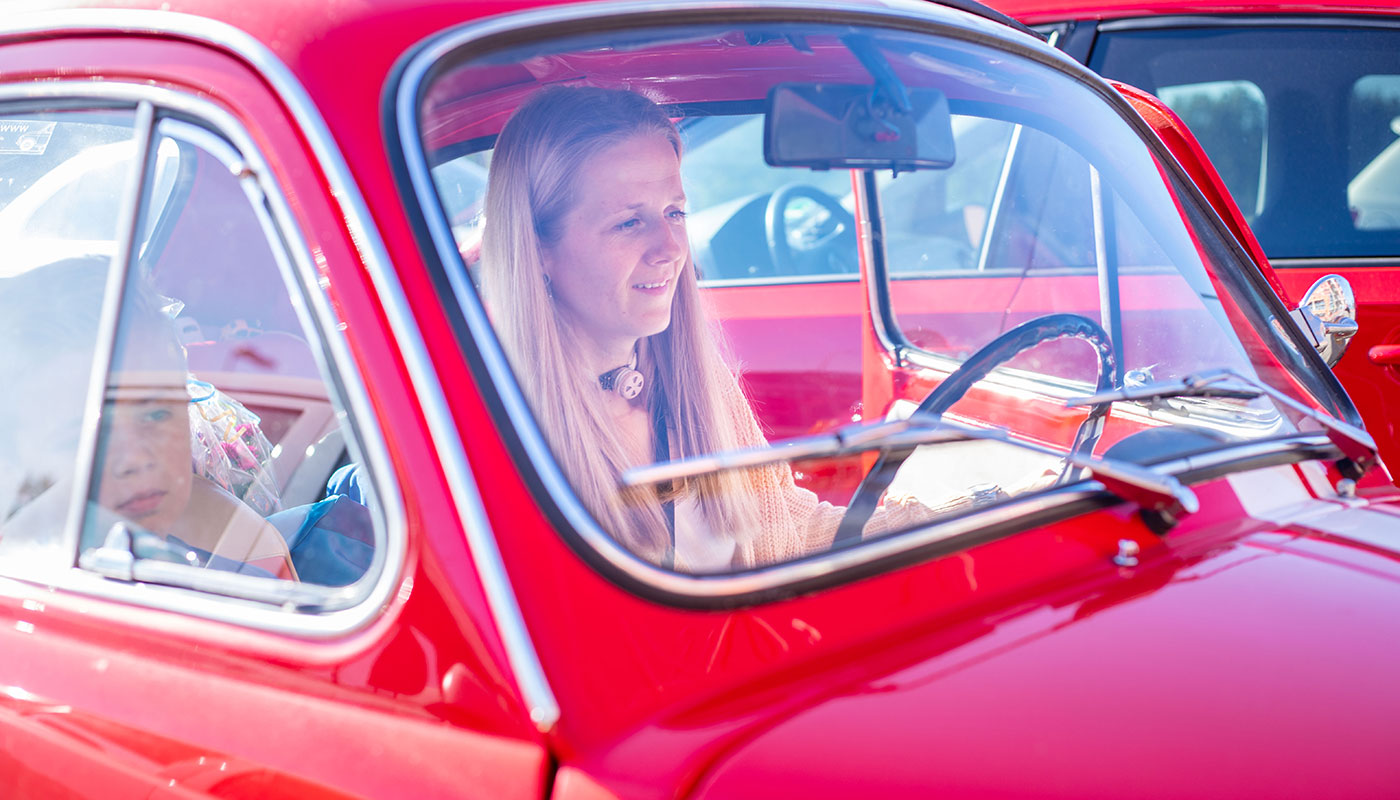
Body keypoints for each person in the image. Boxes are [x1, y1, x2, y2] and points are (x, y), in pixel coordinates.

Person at [480, 86, 963, 572]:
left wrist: (976, 514)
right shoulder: (498, 435)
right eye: (629, 223)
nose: (670, 249)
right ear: (538, 245)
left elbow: (792, 533)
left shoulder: (696, 383)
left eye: (675, 212)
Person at [0, 256, 298, 579]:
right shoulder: (16, 579)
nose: (137, 458)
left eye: (156, 414)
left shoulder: (243, 547)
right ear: (10, 463)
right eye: (87, 436)